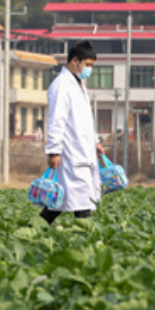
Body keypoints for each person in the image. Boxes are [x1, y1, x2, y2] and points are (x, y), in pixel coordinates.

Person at [42, 40, 104, 224]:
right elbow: (56, 121)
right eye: (87, 65)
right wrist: (53, 151)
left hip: (83, 151)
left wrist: (95, 142)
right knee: (80, 202)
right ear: (74, 61)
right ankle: (86, 242)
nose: (89, 70)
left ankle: (34, 230)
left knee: (62, 202)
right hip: (70, 153)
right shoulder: (61, 85)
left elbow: (85, 120)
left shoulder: (78, 84)